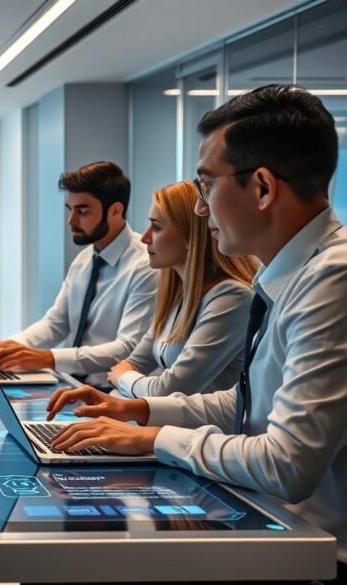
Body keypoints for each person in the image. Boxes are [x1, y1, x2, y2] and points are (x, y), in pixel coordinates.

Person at [46, 85, 347, 578]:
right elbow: (247, 404)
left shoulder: (332, 279)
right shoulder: (288, 274)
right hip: (274, 529)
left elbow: (287, 464)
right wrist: (138, 410)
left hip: (314, 554)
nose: (202, 208)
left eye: (206, 186)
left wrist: (156, 438)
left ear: (263, 188)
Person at [0, 161, 156, 386]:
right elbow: (55, 323)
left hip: (115, 393)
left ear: (115, 210)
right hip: (72, 385)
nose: (71, 221)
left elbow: (128, 347)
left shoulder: (146, 265)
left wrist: (48, 358)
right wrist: (10, 347)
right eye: (70, 209)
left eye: (82, 211)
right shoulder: (84, 260)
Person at [107, 180, 257, 398]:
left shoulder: (232, 298)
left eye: (156, 227)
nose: (145, 238)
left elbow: (168, 389)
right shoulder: (178, 295)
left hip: (206, 421)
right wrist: (125, 379)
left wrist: (123, 378)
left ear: (189, 236)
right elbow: (135, 363)